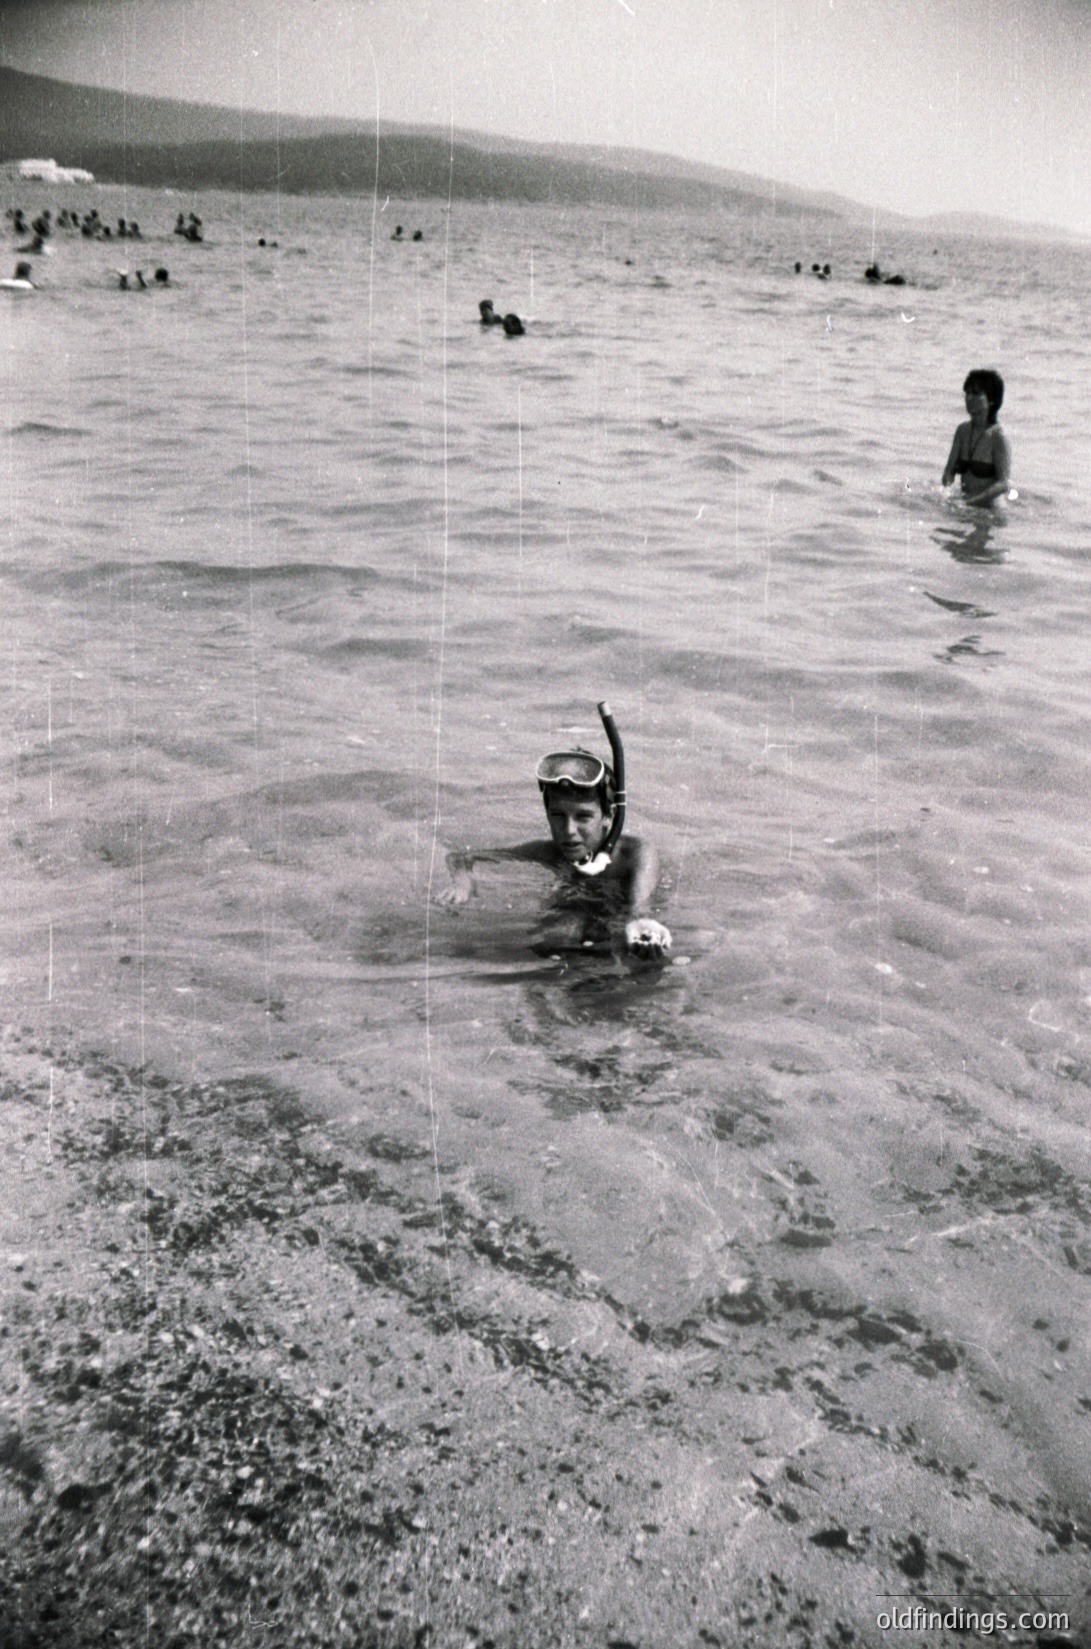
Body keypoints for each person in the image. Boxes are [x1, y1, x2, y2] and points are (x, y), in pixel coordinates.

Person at [436, 705, 672, 962]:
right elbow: (460, 856)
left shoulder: (635, 854)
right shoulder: (549, 852)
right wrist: (463, 881)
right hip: (574, 908)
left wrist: (642, 926)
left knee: (639, 956)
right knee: (552, 941)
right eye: (558, 816)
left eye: (583, 817)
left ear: (608, 816)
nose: (569, 832)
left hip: (620, 912)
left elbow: (639, 908)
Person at [942, 369, 1011, 505]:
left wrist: (969, 502)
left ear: (991, 400)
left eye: (976, 394)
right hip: (967, 505)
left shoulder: (998, 436)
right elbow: (949, 470)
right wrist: (946, 490)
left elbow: (1003, 484)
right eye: (967, 393)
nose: (969, 398)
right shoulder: (962, 430)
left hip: (991, 512)